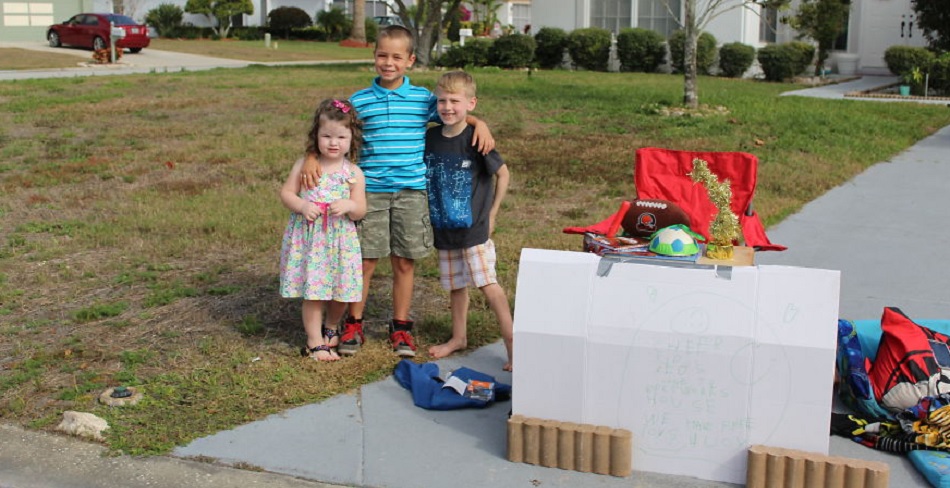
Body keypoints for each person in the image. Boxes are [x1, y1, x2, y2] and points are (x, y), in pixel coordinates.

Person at [300, 25, 494, 358]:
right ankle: (354, 323)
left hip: (411, 192)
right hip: (370, 192)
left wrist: (480, 123)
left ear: (410, 60)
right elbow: (333, 133)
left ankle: (400, 326)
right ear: (374, 56)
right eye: (382, 55)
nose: (388, 62)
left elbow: (454, 111)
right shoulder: (359, 101)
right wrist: (309, 157)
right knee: (365, 261)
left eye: (396, 57)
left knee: (404, 262)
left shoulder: (422, 100)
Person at [425, 71, 513, 371]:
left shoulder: (475, 139)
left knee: (488, 284)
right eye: (442, 101)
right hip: (443, 228)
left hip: (474, 230)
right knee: (456, 285)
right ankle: (458, 337)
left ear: (471, 104)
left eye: (455, 101)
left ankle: (513, 343)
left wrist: (492, 215)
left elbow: (502, 174)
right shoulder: (431, 136)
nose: (448, 107)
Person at [279, 98, 367, 362]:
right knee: (315, 292)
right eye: (326, 135)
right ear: (315, 135)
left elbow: (361, 209)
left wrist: (350, 204)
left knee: (343, 291)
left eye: (341, 137)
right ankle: (314, 340)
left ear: (352, 139)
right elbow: (286, 193)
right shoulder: (305, 165)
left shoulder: (353, 172)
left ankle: (331, 326)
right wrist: (302, 205)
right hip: (312, 240)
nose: (333, 142)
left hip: (341, 241)